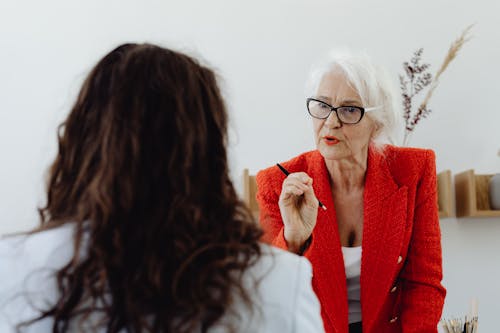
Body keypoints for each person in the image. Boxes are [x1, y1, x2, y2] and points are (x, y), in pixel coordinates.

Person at [0, 43, 323, 333]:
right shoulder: (278, 282)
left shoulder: (12, 267)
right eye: (322, 107)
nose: (331, 122)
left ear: (80, 142)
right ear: (209, 154)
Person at [256, 50, 446, 333]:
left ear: (377, 122)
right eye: (322, 105)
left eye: (348, 110)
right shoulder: (278, 183)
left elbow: (423, 282)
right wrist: (293, 239)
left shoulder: (413, 170)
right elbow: (268, 293)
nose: (330, 122)